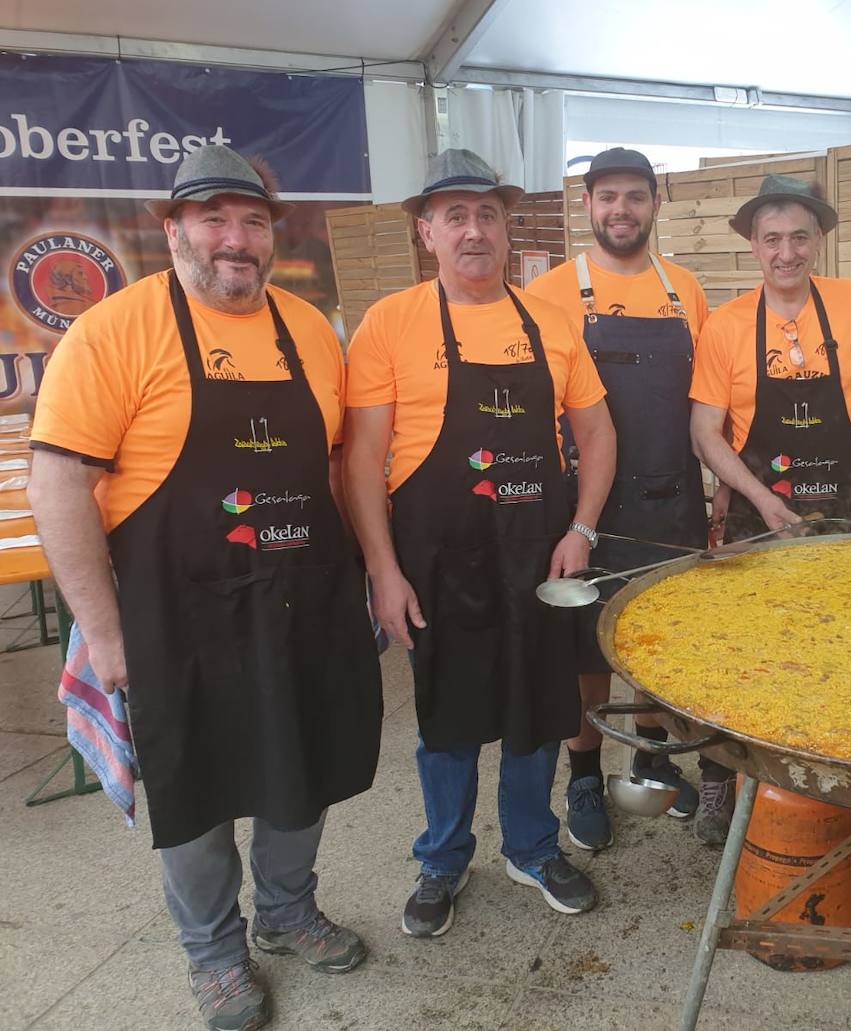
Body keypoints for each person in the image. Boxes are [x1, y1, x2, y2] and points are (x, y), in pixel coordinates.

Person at [27, 145, 383, 1031]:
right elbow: (58, 484)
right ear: (174, 229)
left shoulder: (310, 329)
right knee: (196, 786)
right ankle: (216, 953)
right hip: (178, 612)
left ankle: (288, 910)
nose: (236, 238)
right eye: (214, 219)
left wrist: (365, 575)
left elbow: (335, 463)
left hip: (303, 595)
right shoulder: (114, 332)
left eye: (254, 221)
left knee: (304, 760)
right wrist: (105, 631)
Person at [343, 150, 618, 935]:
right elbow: (361, 459)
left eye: (488, 214)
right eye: (455, 215)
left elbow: (598, 434)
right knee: (448, 717)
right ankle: (442, 856)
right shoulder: (390, 322)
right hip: (438, 558)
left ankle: (531, 846)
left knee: (537, 705)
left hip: (538, 551)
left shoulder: (551, 322)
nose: (474, 230)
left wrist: (582, 528)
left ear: (506, 228)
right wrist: (382, 570)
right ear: (426, 231)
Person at [687, 174, 851, 843]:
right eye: (772, 238)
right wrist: (760, 499)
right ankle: (721, 781)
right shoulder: (726, 325)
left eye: (799, 237)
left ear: (819, 241)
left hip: (850, 508)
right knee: (742, 652)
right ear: (753, 244)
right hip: (757, 515)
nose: (787, 252)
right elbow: (705, 433)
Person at [525, 148, 706, 851]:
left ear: (655, 203)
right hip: (587, 506)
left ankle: (652, 759)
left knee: (660, 643)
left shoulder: (683, 288)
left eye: (634, 196)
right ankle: (583, 776)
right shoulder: (550, 294)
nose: (620, 210)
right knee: (586, 654)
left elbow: (705, 400)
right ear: (587, 205)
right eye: (607, 197)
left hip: (673, 501)